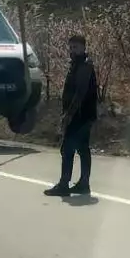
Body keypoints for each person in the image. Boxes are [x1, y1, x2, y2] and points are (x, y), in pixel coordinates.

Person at [44, 33, 98, 197]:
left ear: (83, 48)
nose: (72, 50)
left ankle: (64, 184)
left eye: (75, 47)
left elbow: (79, 93)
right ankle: (83, 183)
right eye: (71, 47)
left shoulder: (84, 66)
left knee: (68, 149)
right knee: (82, 149)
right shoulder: (76, 64)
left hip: (80, 115)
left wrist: (68, 115)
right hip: (81, 114)